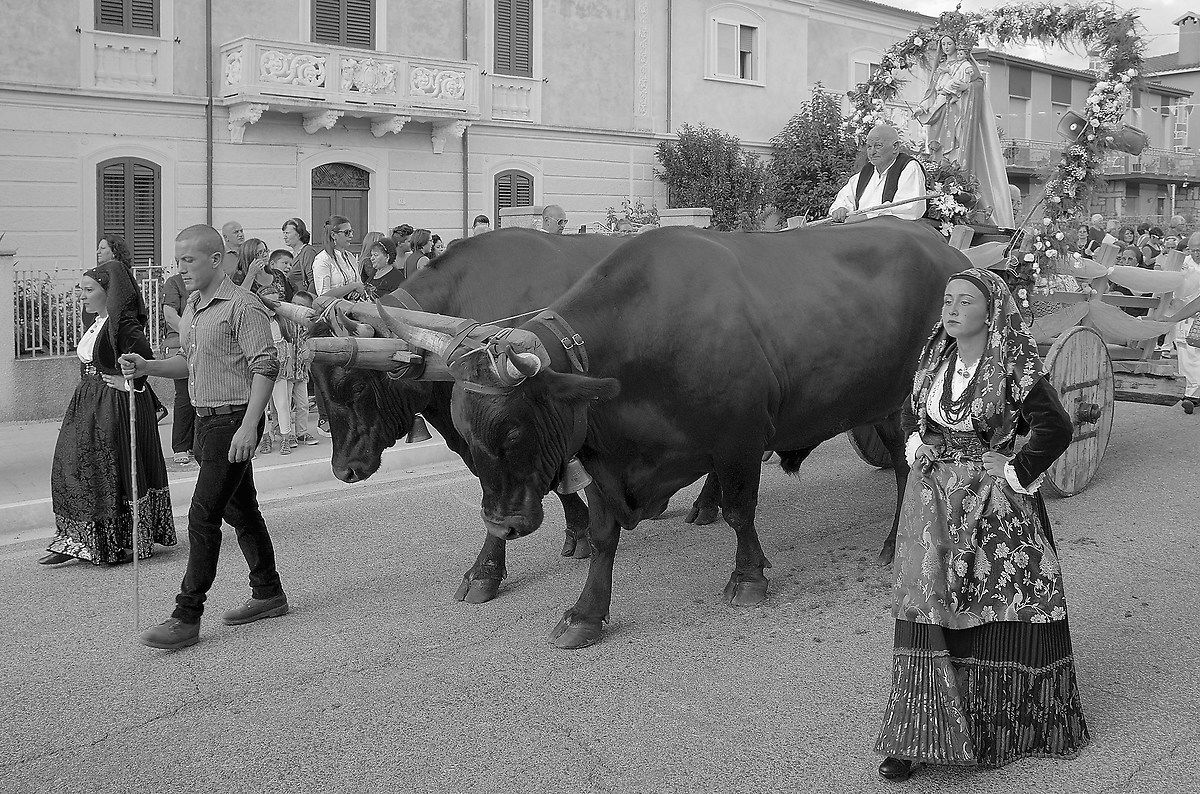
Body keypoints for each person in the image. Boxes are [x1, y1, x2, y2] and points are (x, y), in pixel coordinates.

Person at [875, 267, 1088, 781]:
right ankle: (917, 735)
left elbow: (1055, 427)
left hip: (992, 507)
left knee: (994, 604)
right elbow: (909, 414)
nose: (951, 309)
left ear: (990, 313)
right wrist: (916, 443)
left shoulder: (1012, 368)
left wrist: (1014, 469)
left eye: (964, 301)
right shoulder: (934, 357)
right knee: (926, 605)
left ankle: (992, 727)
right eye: (948, 299)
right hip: (932, 506)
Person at [120, 224, 288, 651]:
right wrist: (146, 367)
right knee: (242, 511)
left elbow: (266, 366)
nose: (180, 269)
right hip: (204, 420)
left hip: (232, 422)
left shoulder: (242, 306)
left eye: (188, 260)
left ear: (216, 259)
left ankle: (186, 615)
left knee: (202, 516)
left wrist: (250, 426)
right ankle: (268, 592)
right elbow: (188, 365)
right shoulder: (195, 305)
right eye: (177, 261)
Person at [40, 261, 177, 566]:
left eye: (89, 290)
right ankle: (79, 538)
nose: (83, 296)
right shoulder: (98, 322)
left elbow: (145, 360)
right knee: (73, 464)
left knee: (110, 471)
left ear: (108, 292)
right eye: (82, 289)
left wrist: (127, 383)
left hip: (113, 405)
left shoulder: (123, 324)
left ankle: (123, 541)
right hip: (89, 403)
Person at [915, 29, 1013, 226]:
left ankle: (956, 188)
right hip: (940, 113)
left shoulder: (966, 66)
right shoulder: (941, 68)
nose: (946, 48)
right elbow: (932, 93)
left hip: (957, 111)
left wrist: (963, 89)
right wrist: (923, 106)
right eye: (943, 45)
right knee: (937, 150)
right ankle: (939, 184)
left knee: (955, 151)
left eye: (949, 44)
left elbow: (975, 85)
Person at [92, 234, 169, 424]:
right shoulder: (107, 272)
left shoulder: (119, 273)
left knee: (130, 368)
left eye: (103, 248)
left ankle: (154, 407)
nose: (98, 252)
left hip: (122, 327)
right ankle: (156, 406)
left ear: (114, 250)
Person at [828, 124, 927, 223]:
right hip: (860, 231)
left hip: (892, 234)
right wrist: (841, 209)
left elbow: (909, 208)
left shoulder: (909, 168)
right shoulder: (866, 172)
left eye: (878, 146)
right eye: (869, 147)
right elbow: (845, 198)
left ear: (895, 147)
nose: (872, 152)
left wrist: (867, 217)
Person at [161, 266, 196, 465]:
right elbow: (170, 315)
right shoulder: (174, 283)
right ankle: (181, 445)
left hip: (205, 341)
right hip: (179, 342)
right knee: (184, 394)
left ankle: (197, 443)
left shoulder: (206, 280)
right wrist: (191, 332)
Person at [1174, 232, 1200, 414]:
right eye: (1193, 250)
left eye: (1199, 250)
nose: (1196, 254)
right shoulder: (1185, 265)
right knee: (1186, 354)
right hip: (1184, 315)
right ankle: (1191, 394)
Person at [313, 215, 364, 298]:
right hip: (335, 308)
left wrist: (357, 292)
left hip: (355, 306)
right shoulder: (322, 259)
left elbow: (359, 284)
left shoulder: (350, 257)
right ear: (333, 235)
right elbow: (323, 295)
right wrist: (353, 286)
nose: (351, 235)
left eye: (351, 231)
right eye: (347, 232)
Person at [282, 217, 318, 295]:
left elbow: (314, 280)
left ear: (299, 234)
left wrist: (307, 300)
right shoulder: (292, 255)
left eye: (287, 233)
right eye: (284, 233)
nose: (284, 237)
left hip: (304, 301)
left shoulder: (308, 252)